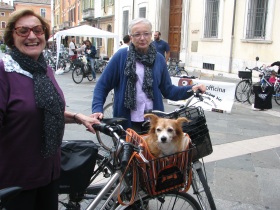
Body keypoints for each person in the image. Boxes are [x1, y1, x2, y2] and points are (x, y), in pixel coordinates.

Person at [0, 9, 100, 209]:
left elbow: (44, 111)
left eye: (38, 30)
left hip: (49, 172)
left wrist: (77, 117)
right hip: (17, 179)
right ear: (12, 36)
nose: (32, 36)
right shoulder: (4, 71)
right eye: (23, 31)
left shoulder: (45, 70)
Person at [91, 18, 206, 132]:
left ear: (151, 35)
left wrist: (191, 89)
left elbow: (168, 90)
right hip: (127, 121)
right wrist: (97, 109)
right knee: (131, 150)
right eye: (137, 34)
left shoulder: (159, 59)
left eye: (146, 34)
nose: (142, 38)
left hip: (154, 123)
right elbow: (102, 86)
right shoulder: (121, 56)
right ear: (131, 37)